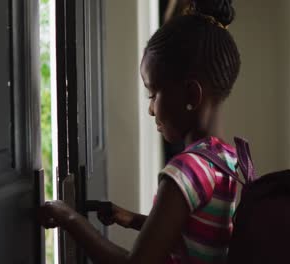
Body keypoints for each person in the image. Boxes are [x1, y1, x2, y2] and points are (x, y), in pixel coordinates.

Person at [38, 0, 244, 263]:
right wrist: (133, 219)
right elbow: (199, 238)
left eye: (153, 93)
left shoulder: (187, 169)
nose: (150, 109)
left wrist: (69, 218)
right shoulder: (226, 159)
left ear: (191, 94)